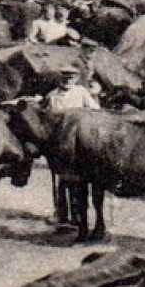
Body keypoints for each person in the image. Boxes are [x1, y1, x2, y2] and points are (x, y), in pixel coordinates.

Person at [46, 67, 100, 226]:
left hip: (79, 142)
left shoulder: (81, 92)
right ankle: (62, 214)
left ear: (76, 79)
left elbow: (95, 110)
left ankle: (78, 215)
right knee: (61, 180)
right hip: (59, 142)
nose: (67, 80)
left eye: (71, 77)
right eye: (65, 77)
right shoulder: (52, 96)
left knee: (78, 179)